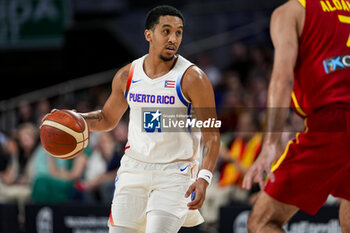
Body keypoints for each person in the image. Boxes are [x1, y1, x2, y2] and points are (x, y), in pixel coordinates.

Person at [51, 5, 220, 233]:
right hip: (133, 170)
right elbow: (107, 118)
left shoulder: (193, 78)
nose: (173, 38)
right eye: (166, 31)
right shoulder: (127, 75)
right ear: (148, 34)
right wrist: (72, 117)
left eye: (178, 32)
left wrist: (204, 178)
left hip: (175, 173)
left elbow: (211, 134)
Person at [242, 0, 350, 232]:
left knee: (261, 222)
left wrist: (270, 144)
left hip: (332, 124)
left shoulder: (290, 11)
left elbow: (282, 79)